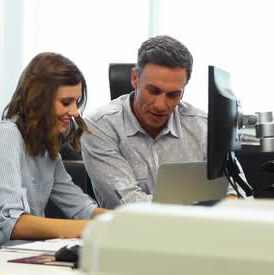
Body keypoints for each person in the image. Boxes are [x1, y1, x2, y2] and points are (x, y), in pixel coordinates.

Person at [0, 52, 107, 255]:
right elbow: (14, 222)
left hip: (26, 258)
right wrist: (88, 228)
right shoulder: (5, 137)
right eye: (66, 102)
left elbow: (81, 208)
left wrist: (127, 222)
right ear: (39, 100)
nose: (75, 112)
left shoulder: (47, 148)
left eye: (76, 102)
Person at [81, 35, 236, 209]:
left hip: (198, 230)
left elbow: (235, 192)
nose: (161, 105)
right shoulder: (99, 126)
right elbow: (128, 204)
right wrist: (203, 205)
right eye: (153, 91)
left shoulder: (204, 126)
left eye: (173, 95)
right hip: (132, 232)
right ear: (135, 78)